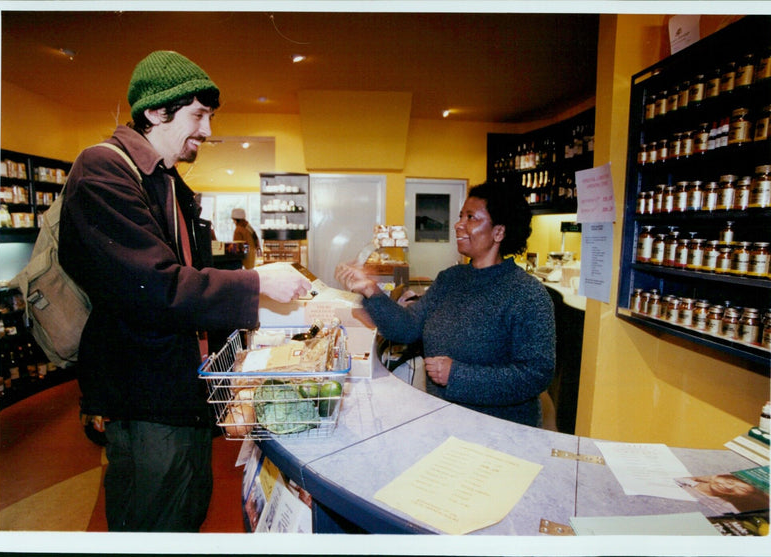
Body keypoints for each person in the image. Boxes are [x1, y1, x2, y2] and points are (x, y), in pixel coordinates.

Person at [58, 50, 311, 532]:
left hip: (183, 394)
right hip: (144, 400)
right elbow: (155, 285)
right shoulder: (102, 171)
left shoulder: (169, 182)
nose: (208, 131)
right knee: (154, 522)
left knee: (185, 514)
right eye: (198, 115)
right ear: (156, 111)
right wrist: (257, 283)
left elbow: (191, 272)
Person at [336, 181, 555, 427]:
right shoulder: (450, 279)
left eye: (471, 218)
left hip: (500, 430)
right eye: (461, 215)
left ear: (499, 232)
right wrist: (370, 290)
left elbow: (535, 374)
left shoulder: (527, 294)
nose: (458, 224)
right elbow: (407, 327)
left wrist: (458, 375)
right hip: (443, 420)